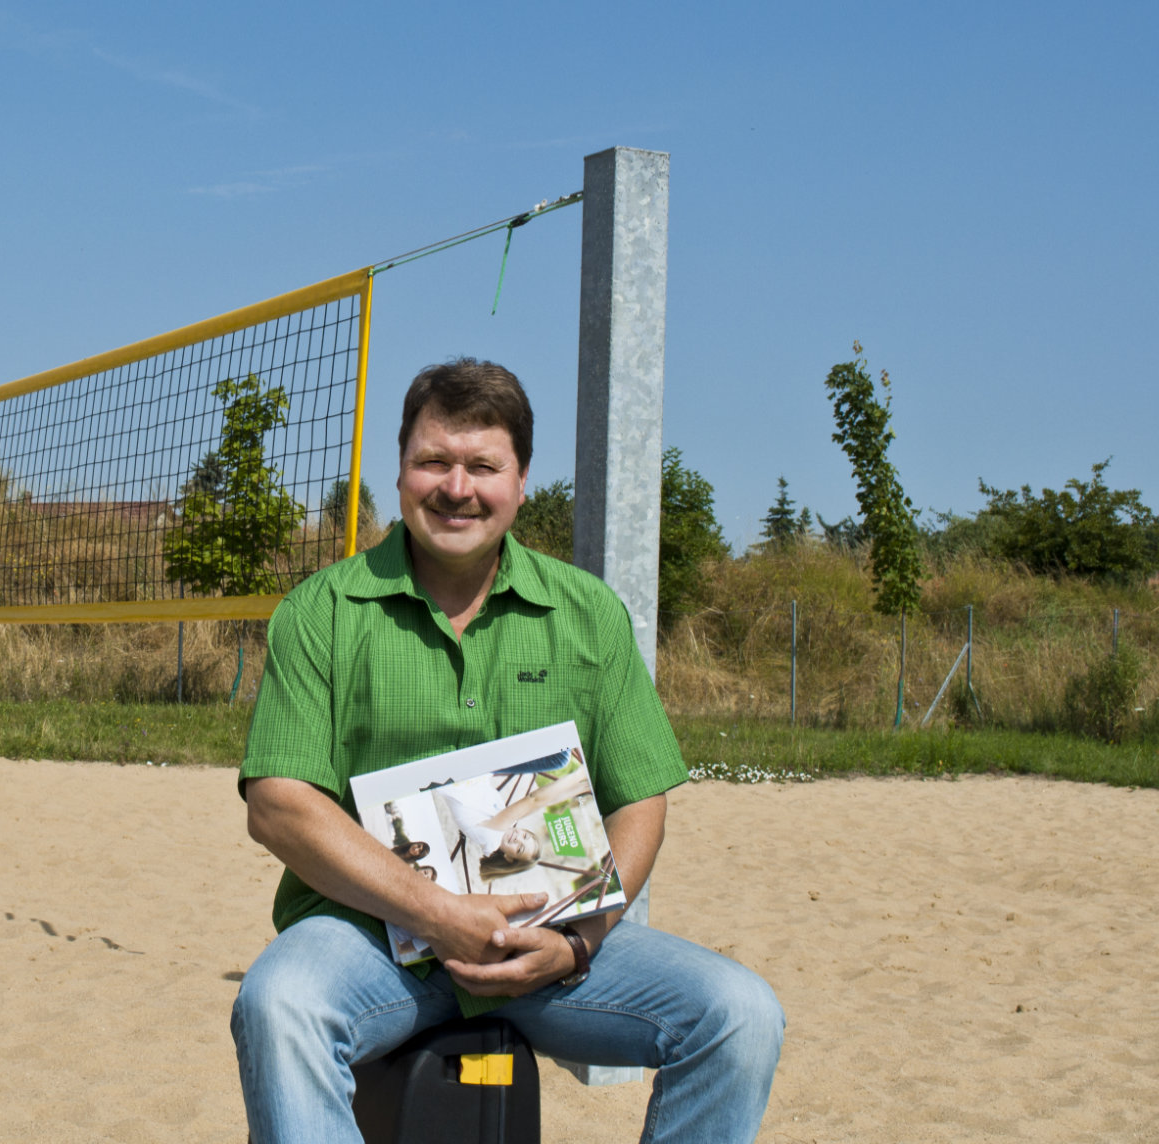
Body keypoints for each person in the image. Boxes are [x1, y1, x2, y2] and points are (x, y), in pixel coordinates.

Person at [230, 359, 784, 1143]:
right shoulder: (321, 612)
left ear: (521, 481)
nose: (457, 487)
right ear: (400, 473)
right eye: (433, 461)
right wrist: (438, 914)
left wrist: (576, 944)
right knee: (278, 1003)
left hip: (544, 949)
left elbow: (641, 799)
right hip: (367, 940)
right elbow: (279, 805)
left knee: (741, 1015)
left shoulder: (588, 612)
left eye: (482, 466)